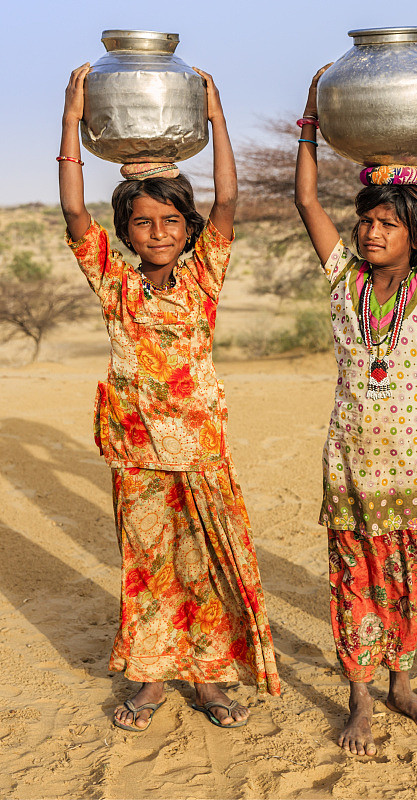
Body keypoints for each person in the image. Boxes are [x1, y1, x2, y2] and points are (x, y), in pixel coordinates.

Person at [59, 63, 280, 731]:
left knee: (209, 562)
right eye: (144, 222)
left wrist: (214, 118)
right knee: (146, 564)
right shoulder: (114, 283)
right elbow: (73, 208)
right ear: (126, 232)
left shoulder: (205, 277)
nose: (158, 231)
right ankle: (151, 679)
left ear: (186, 225)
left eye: (170, 219)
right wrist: (72, 117)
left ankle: (210, 681)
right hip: (138, 451)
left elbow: (230, 203)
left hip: (202, 447)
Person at [295, 63, 417, 756]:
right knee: (352, 581)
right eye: (367, 221)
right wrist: (313, 121)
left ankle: (401, 683)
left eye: (387, 223)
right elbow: (307, 201)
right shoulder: (342, 279)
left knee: (405, 580)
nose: (372, 233)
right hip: (350, 462)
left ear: (415, 233)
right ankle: (358, 699)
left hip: (409, 466)